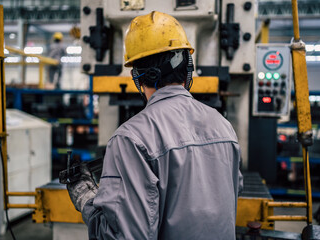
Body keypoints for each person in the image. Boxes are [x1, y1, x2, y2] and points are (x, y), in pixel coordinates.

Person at [67, 11, 243, 239]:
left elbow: (125, 235)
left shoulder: (131, 138)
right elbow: (234, 189)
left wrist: (87, 202)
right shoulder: (223, 126)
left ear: (138, 76)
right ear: (187, 67)